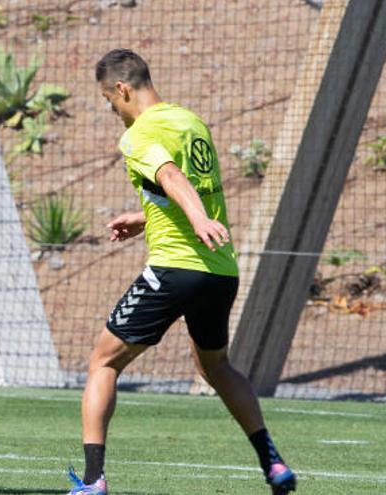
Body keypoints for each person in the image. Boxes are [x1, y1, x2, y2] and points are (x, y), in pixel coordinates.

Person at [66, 49, 296, 495]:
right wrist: (144, 218)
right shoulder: (192, 123)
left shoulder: (138, 135)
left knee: (102, 362)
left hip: (175, 268)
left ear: (122, 89)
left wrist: (196, 221)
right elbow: (189, 188)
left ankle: (93, 481)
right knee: (216, 366)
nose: (111, 110)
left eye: (107, 100)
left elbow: (170, 176)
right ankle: (274, 464)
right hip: (219, 271)